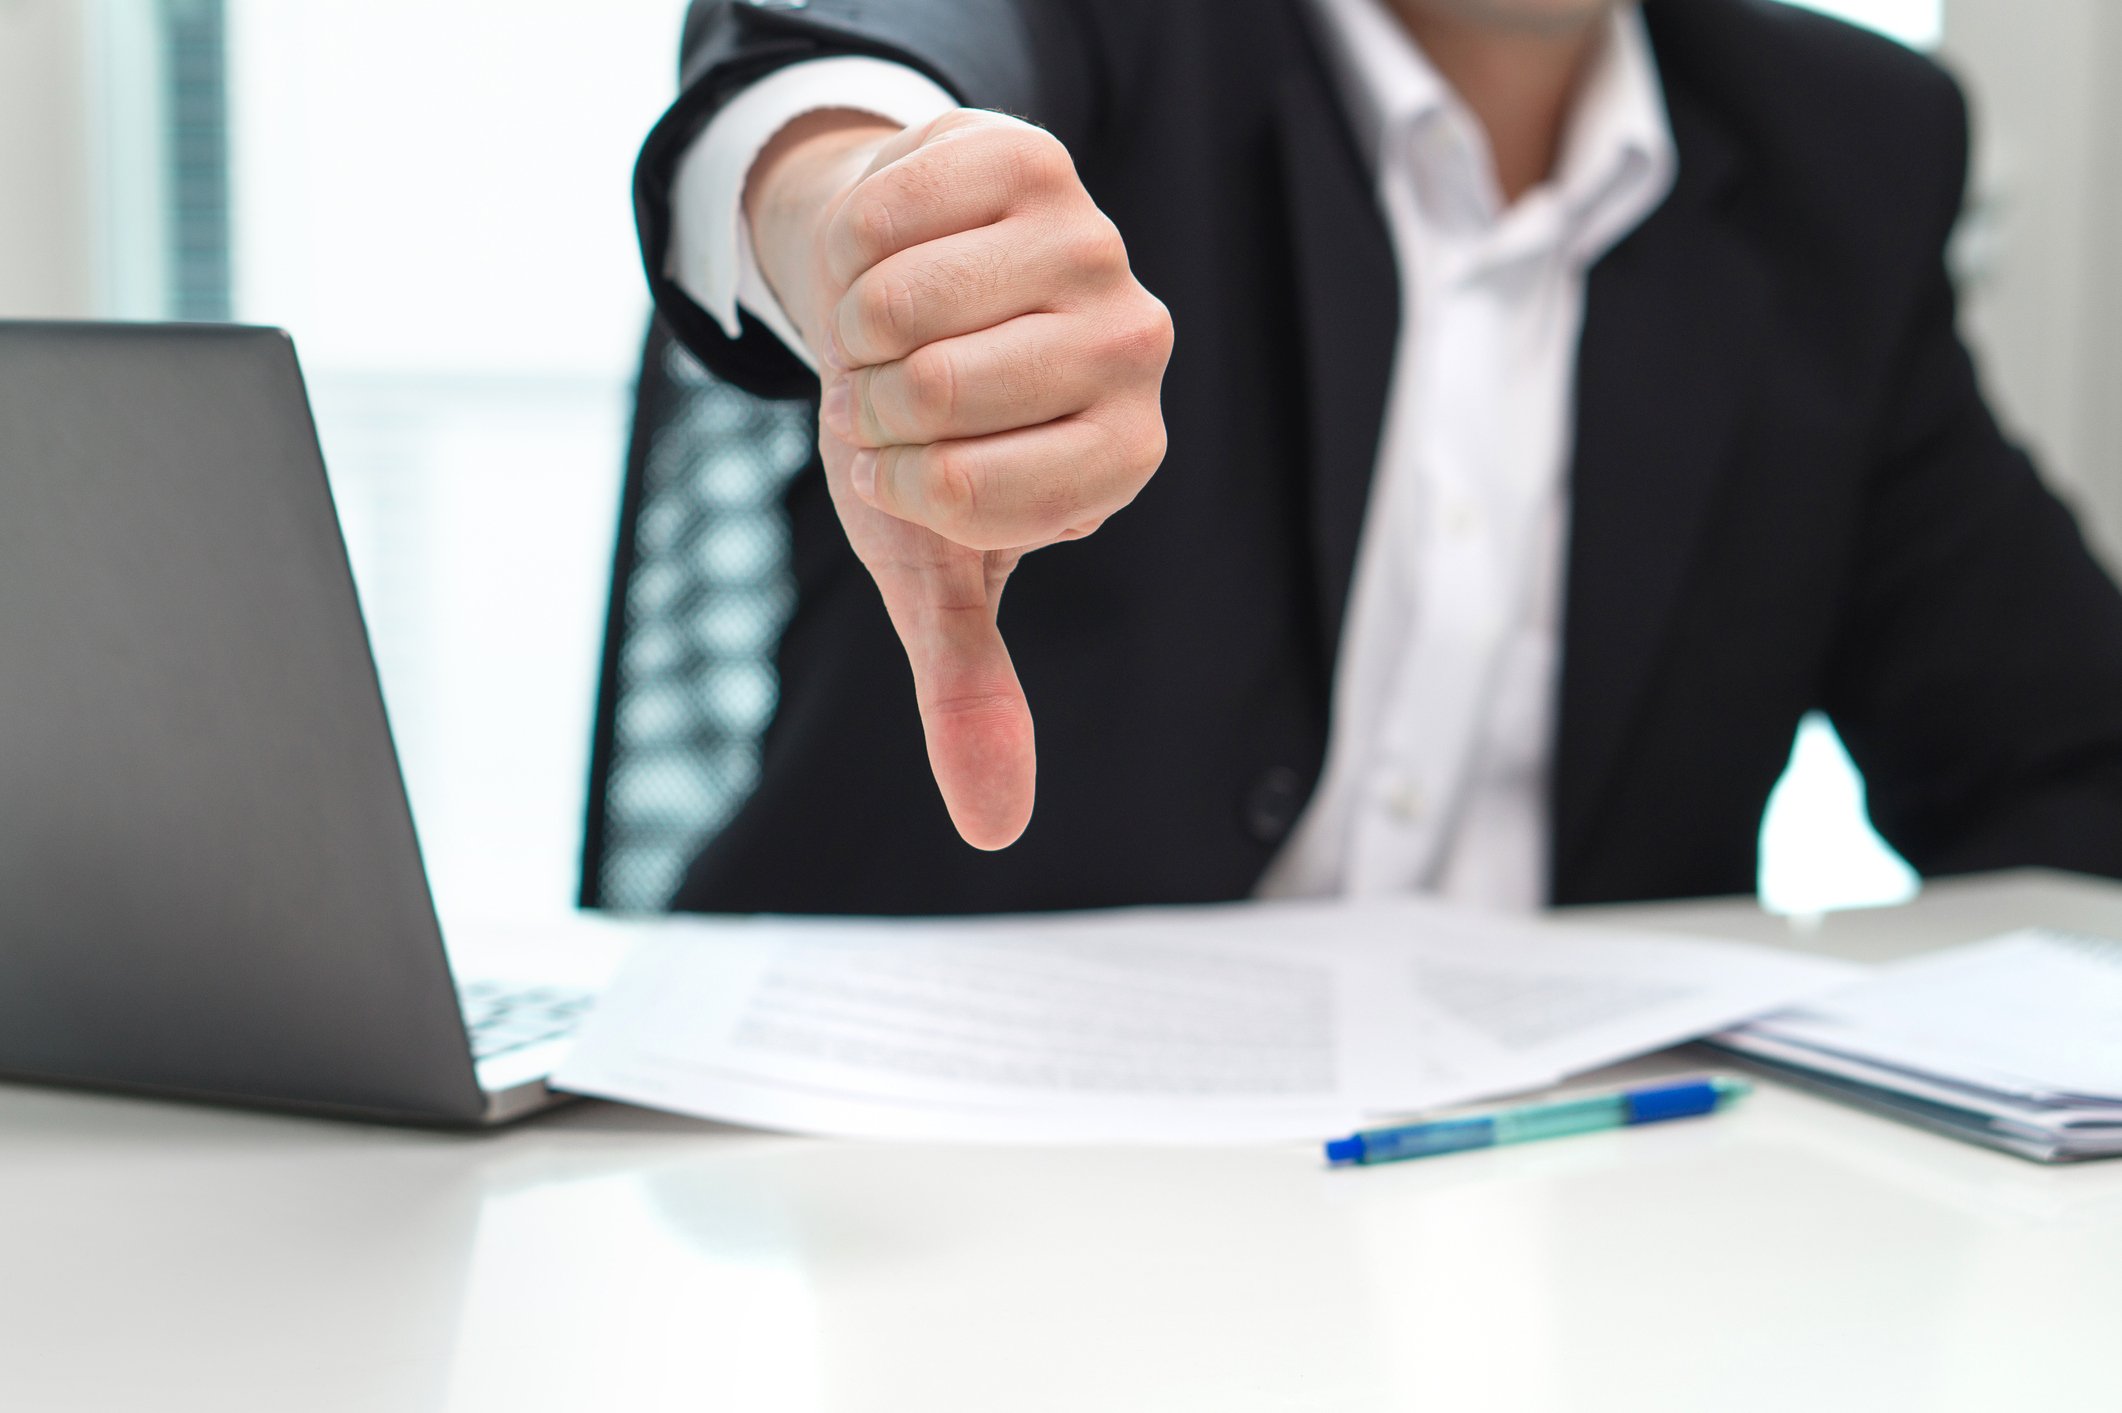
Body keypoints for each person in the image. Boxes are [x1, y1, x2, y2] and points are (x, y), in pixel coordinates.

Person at [632, 0, 2122, 916]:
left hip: (1547, 1238)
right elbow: (839, 65)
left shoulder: (1844, 148)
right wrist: (854, 213)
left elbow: (2060, 767)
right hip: (917, 1178)